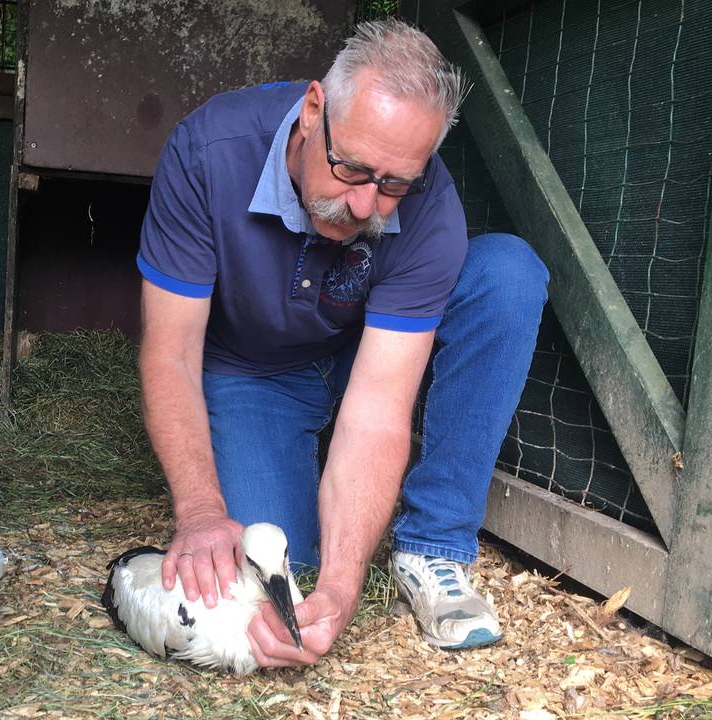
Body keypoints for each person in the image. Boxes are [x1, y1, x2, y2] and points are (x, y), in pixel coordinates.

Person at [135, 18, 548, 669]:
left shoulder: (428, 205)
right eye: (351, 168)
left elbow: (379, 410)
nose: (363, 207)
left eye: (393, 184)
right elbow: (171, 355)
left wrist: (345, 583)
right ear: (312, 110)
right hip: (255, 372)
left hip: (364, 353)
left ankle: (433, 544)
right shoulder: (207, 151)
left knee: (506, 274)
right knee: (278, 571)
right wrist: (201, 511)